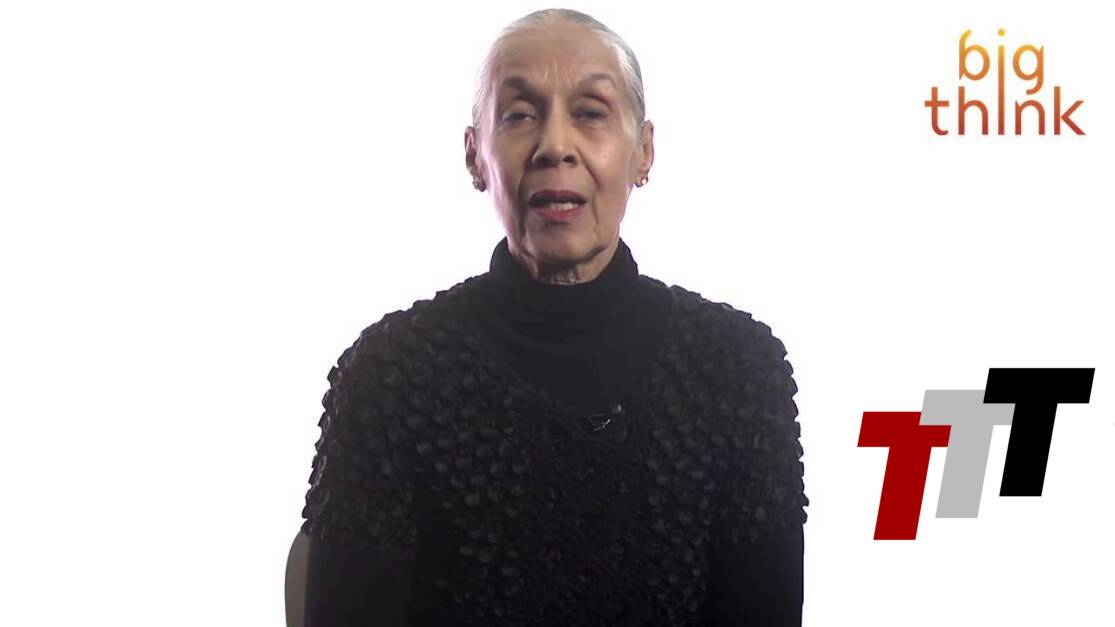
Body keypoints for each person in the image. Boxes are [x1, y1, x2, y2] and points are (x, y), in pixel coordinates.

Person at [299, 8, 808, 626]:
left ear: (643, 151)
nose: (555, 147)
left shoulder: (739, 369)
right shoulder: (389, 376)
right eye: (519, 115)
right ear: (475, 156)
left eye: (591, 112)